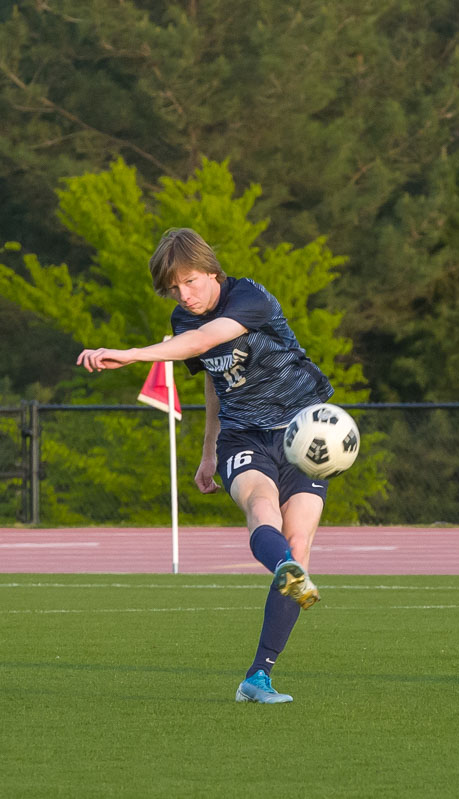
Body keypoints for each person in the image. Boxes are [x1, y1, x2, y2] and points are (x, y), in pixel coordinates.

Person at [76, 227, 335, 704]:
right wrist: (209, 450)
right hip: (244, 436)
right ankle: (287, 571)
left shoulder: (249, 296)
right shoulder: (182, 318)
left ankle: (257, 677)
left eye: (191, 281)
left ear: (212, 271)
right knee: (262, 507)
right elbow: (213, 380)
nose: (184, 295)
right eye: (174, 288)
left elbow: (205, 341)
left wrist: (131, 355)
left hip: (303, 434)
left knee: (298, 540)